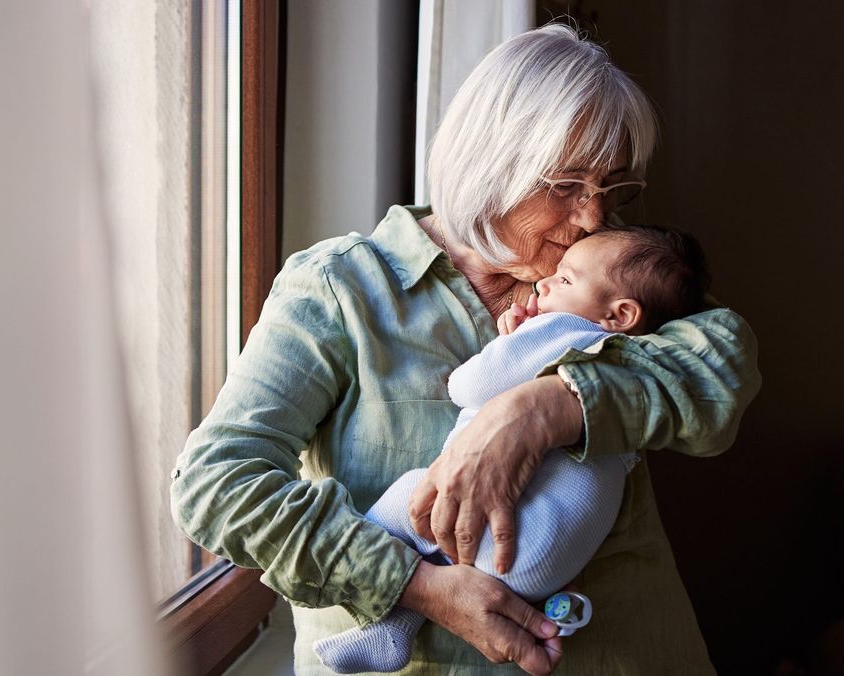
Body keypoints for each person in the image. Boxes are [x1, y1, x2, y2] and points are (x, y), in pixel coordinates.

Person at [171, 24, 760, 675]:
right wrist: (413, 585)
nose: (594, 217)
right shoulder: (343, 289)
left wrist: (546, 408)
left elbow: (722, 365)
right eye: (566, 184)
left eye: (611, 186)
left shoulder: (608, 272)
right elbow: (216, 485)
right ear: (491, 162)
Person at [313, 223, 711, 673]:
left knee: (414, 495)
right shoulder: (632, 352)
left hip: (509, 542)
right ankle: (396, 629)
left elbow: (469, 385)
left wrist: (511, 343)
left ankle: (383, 605)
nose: (544, 284)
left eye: (565, 279)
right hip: (544, 566)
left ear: (619, 315)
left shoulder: (566, 330)